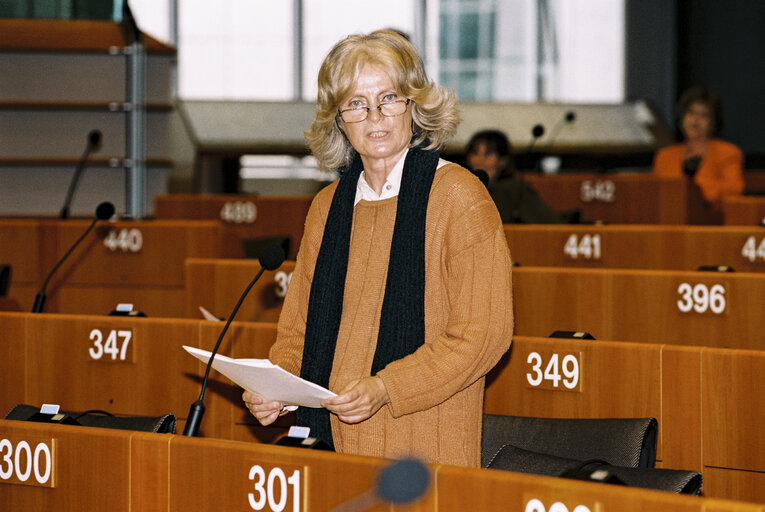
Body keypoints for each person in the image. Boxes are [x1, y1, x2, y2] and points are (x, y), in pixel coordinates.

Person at [242, 29, 513, 467]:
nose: (375, 117)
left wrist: (387, 387)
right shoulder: (327, 207)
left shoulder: (459, 197)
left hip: (422, 449)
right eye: (356, 103)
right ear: (339, 119)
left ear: (414, 104)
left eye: (389, 98)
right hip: (327, 448)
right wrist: (277, 388)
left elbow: (482, 336)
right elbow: (297, 332)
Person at [652, 88, 744, 209]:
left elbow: (734, 189)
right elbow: (654, 192)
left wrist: (692, 191)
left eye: (703, 115)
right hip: (669, 219)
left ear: (714, 122)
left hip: (711, 220)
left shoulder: (728, 152)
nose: (695, 121)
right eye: (690, 113)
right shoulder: (664, 155)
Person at [465, 129, 567, 223]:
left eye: (489, 154)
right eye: (475, 153)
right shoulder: (461, 188)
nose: (480, 160)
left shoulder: (513, 188)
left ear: (503, 161)